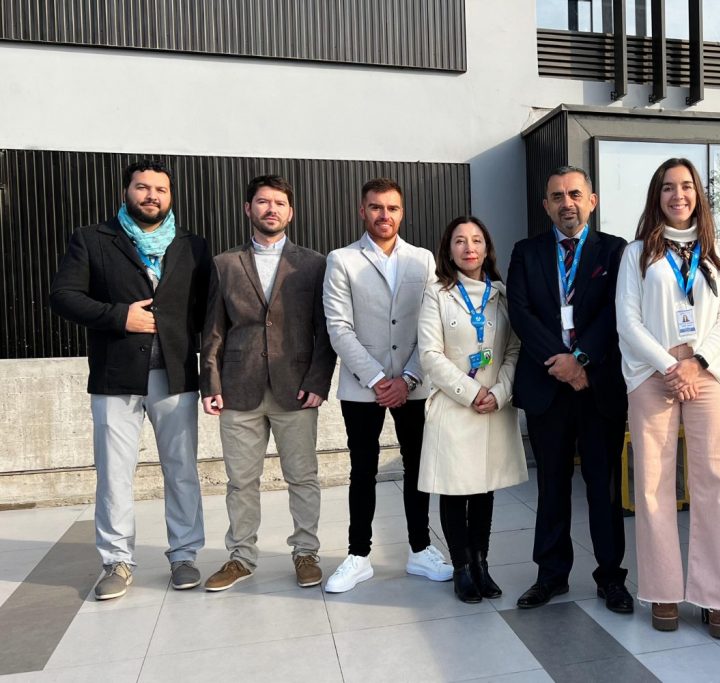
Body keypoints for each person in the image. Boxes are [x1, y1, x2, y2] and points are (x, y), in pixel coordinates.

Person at [50, 160, 209, 600]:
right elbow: (63, 296)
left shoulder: (192, 246)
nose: (152, 195)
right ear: (127, 192)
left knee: (181, 471)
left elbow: (204, 311)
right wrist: (121, 316)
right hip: (115, 377)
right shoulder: (92, 239)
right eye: (143, 187)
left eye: (160, 189)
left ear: (170, 196)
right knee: (115, 474)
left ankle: (184, 556)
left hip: (175, 375)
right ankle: (117, 561)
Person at [615, 158, 720, 636]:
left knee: (715, 482)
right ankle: (663, 591)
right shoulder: (638, 253)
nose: (678, 195)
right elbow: (627, 321)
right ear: (657, 196)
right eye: (668, 188)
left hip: (706, 374)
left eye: (686, 186)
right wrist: (670, 365)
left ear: (698, 194)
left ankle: (717, 595)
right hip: (652, 374)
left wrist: (696, 362)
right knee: (653, 484)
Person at [200, 174, 336, 591]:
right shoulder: (224, 264)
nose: (271, 209)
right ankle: (240, 558)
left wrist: (318, 380)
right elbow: (213, 328)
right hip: (238, 388)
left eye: (279, 202)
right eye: (263, 202)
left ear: (290, 212)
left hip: (295, 388)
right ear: (248, 209)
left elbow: (325, 329)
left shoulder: (313, 263)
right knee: (241, 481)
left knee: (303, 476)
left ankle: (306, 552)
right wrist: (211, 382)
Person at [506, 165, 633, 613]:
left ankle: (610, 577)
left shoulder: (616, 251)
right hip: (546, 386)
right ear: (546, 205)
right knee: (552, 486)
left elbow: (619, 313)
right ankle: (551, 575)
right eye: (557, 196)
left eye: (575, 194)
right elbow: (521, 314)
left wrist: (581, 360)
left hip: (598, 385)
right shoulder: (526, 252)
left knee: (605, 487)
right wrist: (561, 363)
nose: (567, 203)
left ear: (591, 201)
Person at [322, 178, 453, 593]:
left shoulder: (423, 260)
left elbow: (431, 327)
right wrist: (380, 380)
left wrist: (409, 377)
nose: (384, 215)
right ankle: (358, 555)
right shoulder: (342, 260)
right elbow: (339, 328)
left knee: (418, 467)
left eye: (392, 208)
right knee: (363, 470)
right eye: (376, 207)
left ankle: (419, 550)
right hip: (364, 387)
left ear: (402, 212)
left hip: (414, 383)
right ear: (363, 211)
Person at [417, 216, 528, 603]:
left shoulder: (501, 293)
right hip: (455, 406)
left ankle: (482, 563)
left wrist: (499, 392)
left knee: (484, 490)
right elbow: (429, 354)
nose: (469, 248)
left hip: (494, 407)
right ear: (448, 249)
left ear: (487, 247)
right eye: (460, 241)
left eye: (477, 240)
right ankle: (462, 567)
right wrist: (471, 391)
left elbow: (515, 348)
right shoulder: (437, 293)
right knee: (455, 490)